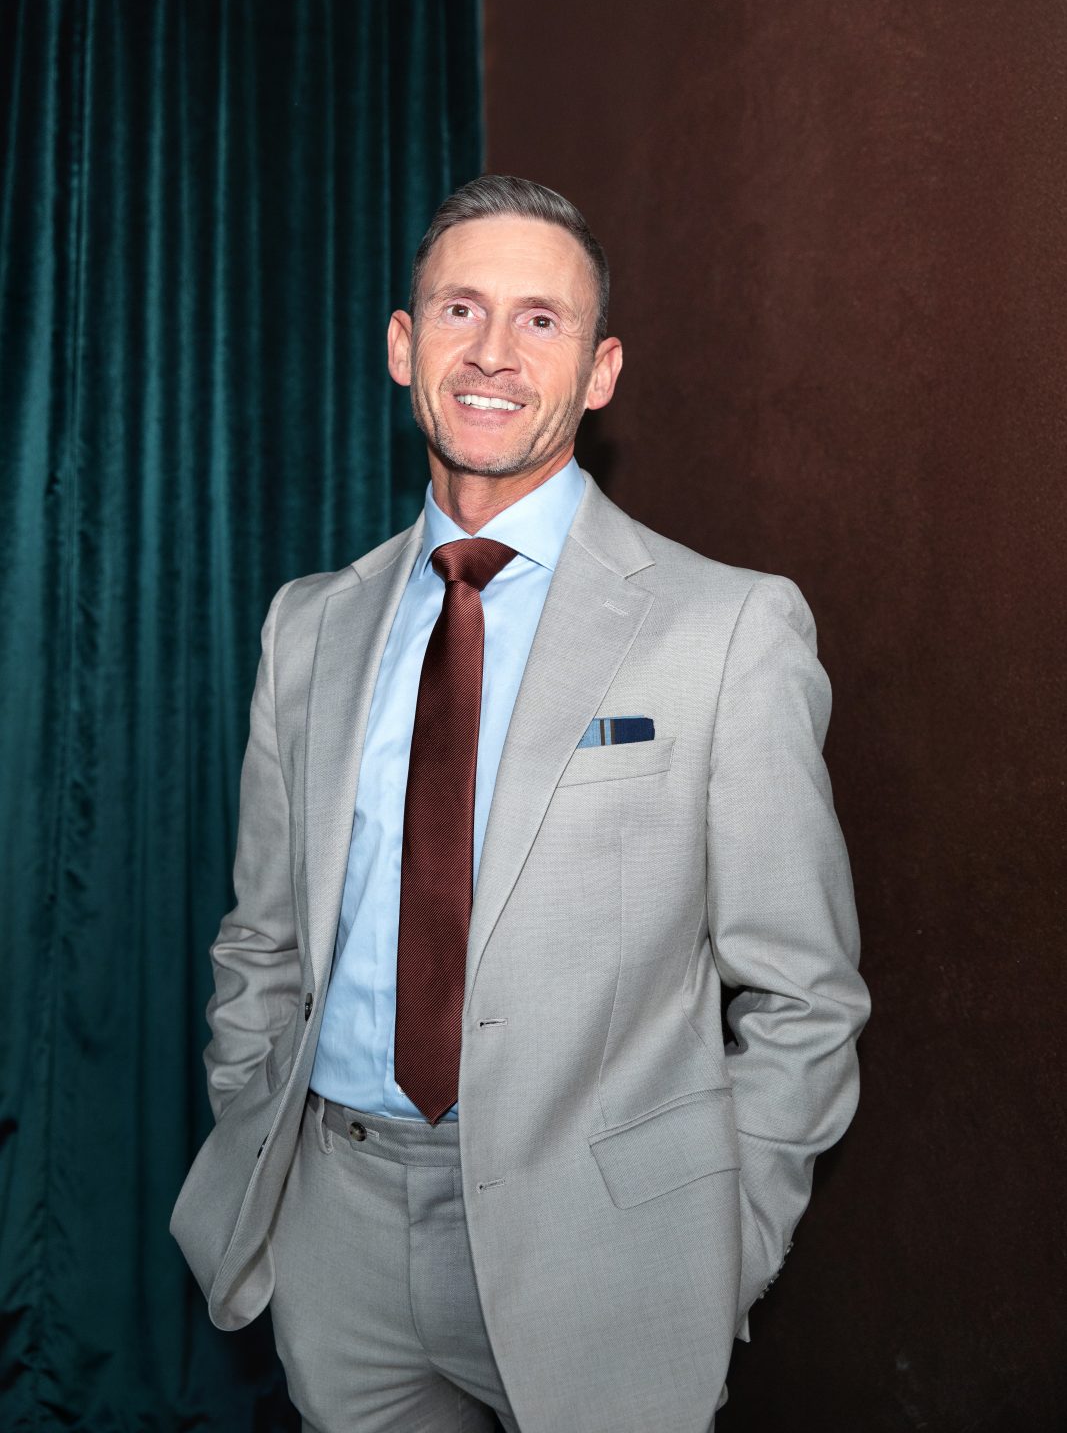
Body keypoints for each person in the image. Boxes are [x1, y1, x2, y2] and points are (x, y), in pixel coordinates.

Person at [171, 174, 870, 1433]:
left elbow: (804, 995)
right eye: (460, 309)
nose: (493, 352)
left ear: (599, 372)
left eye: (540, 320)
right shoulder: (308, 626)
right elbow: (261, 941)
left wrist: (724, 1244)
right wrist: (264, 1141)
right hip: (336, 1242)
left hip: (610, 1257)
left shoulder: (725, 628)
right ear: (404, 345)